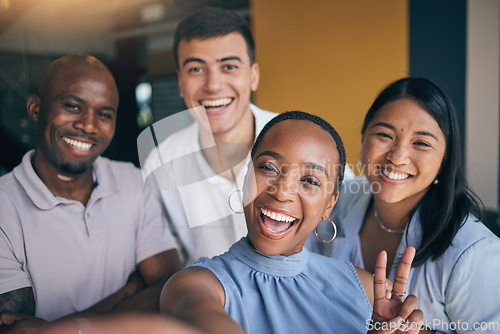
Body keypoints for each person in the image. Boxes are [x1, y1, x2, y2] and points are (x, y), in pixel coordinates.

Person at [160, 111, 424, 334]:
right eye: (269, 168)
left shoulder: (365, 289)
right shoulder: (194, 286)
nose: (282, 191)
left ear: (329, 205)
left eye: (310, 181)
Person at [141, 8, 355, 266]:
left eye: (229, 66)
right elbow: (166, 265)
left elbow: (352, 236)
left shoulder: (311, 144)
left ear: (253, 76)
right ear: (180, 83)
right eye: (196, 69)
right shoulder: (161, 162)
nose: (213, 85)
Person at [0, 54, 181, 331]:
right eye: (73, 106)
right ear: (36, 108)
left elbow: (170, 289)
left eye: (104, 114)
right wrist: (128, 292)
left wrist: (58, 327)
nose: (87, 125)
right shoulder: (4, 206)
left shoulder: (131, 181)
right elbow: (15, 329)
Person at [309, 77, 500, 333]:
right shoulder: (336, 202)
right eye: (384, 135)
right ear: (363, 136)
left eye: (421, 143)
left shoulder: (473, 254)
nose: (397, 157)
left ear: (445, 158)